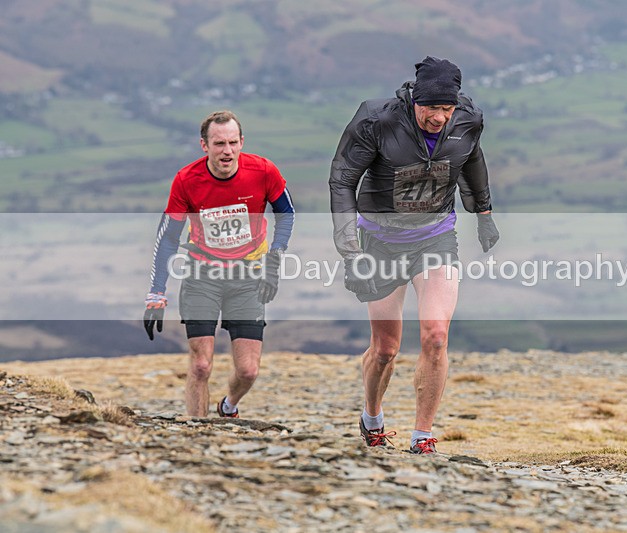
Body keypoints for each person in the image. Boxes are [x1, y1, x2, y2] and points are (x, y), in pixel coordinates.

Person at [329, 57, 500, 454]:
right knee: (385, 349)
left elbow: (472, 160)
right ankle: (372, 416)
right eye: (432, 108)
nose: (440, 117)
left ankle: (422, 436)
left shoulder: (468, 120)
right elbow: (342, 179)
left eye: (447, 108)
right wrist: (349, 246)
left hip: (434, 238)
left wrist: (484, 215)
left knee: (436, 337)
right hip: (381, 241)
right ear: (414, 100)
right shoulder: (377, 120)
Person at [143, 110, 295, 418]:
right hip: (203, 276)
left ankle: (229, 406)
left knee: (248, 371)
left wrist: (275, 256)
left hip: (248, 276)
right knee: (201, 365)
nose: (227, 151)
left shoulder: (263, 171)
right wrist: (157, 293)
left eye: (232, 143)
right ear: (205, 145)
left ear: (242, 142)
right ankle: (197, 432)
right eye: (219, 144)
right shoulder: (187, 180)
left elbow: (286, 213)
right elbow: (168, 237)